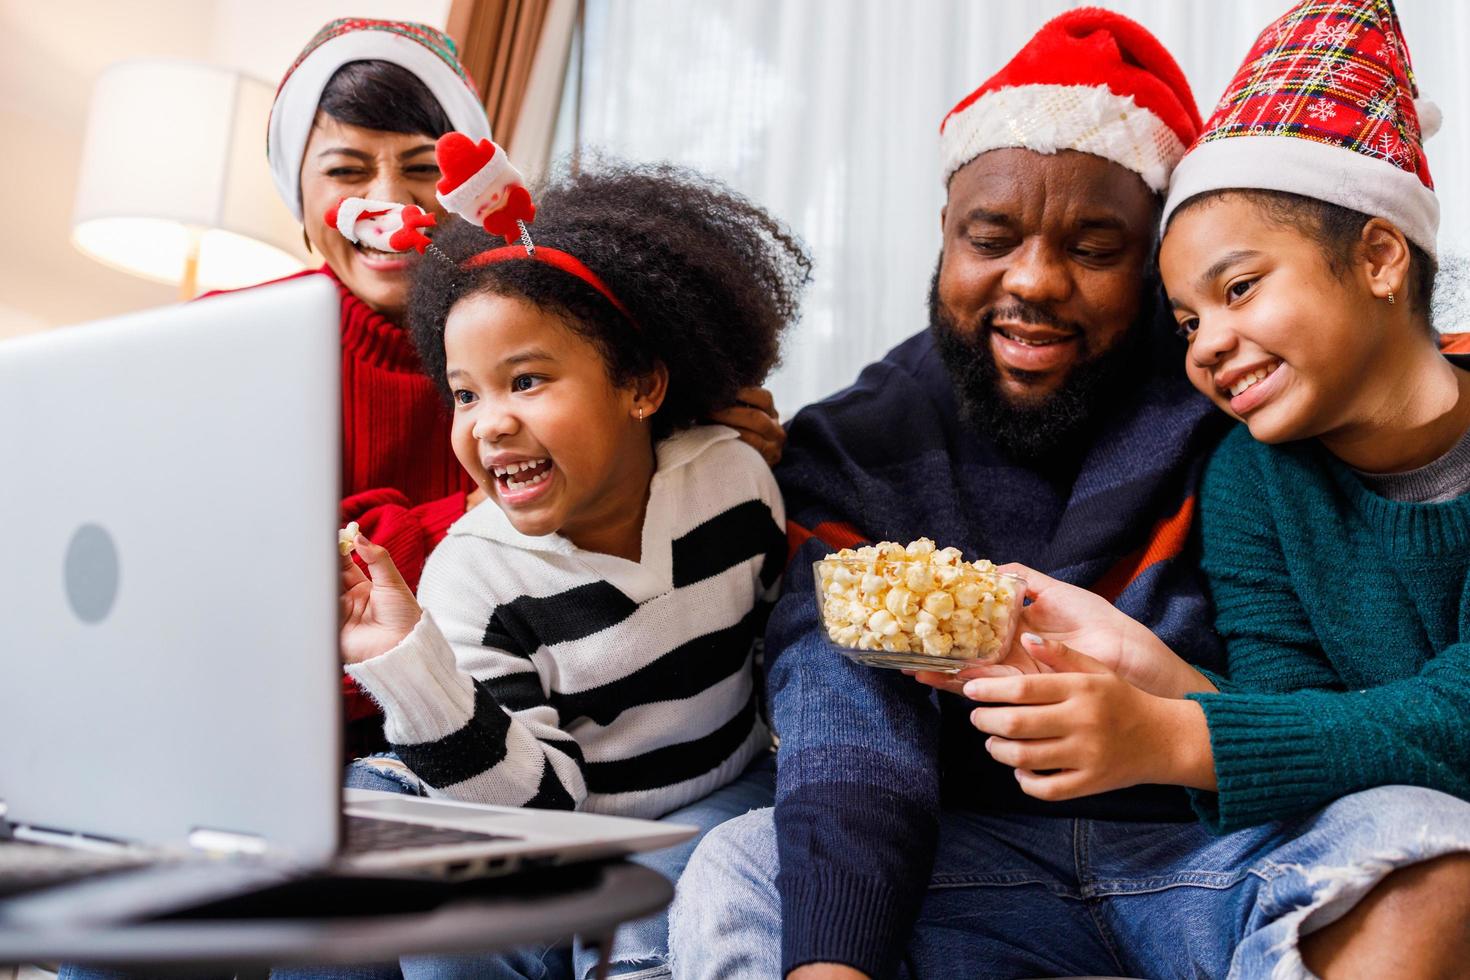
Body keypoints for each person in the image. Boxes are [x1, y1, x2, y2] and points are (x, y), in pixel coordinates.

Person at [895, 2, 1470, 977]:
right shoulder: (1254, 475)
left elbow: (1454, 722)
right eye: (1186, 317)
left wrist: (1170, 733)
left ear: (1380, 258)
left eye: (1238, 289)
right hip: (1387, 818)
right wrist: (1148, 669)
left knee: (1432, 845)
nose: (1206, 345)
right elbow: (1305, 726)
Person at [669, 9, 1242, 978]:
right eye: (993, 236)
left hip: (1206, 853)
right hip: (964, 862)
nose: (1034, 281)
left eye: (1095, 249)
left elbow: (1317, 703)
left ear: (1154, 261)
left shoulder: (1236, 418)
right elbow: (841, 699)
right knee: (737, 864)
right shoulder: (856, 444)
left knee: (1410, 830)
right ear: (945, 235)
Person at [254, 18, 787, 754]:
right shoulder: (241, 347)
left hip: (539, 735)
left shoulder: (553, 318)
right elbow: (260, 608)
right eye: (346, 172)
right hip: (332, 736)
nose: (387, 201)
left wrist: (689, 433)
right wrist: (475, 514)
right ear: (295, 188)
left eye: (420, 168)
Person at [333, 159, 811, 979]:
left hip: (728, 791)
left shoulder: (733, 478)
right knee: (451, 942)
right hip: (565, 817)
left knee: (641, 944)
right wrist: (410, 666)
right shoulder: (469, 581)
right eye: (466, 395)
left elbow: (778, 641)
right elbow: (543, 816)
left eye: (526, 381)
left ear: (642, 385)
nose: (489, 424)